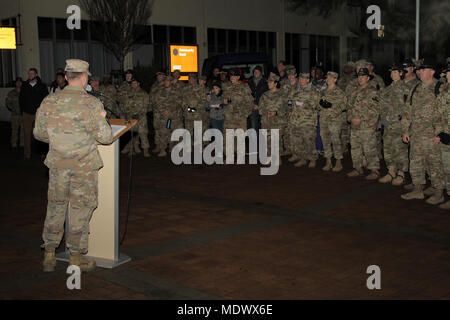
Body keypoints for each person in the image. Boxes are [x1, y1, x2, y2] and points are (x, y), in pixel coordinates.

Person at [33, 59, 113, 273]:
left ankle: (49, 254)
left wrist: (61, 139)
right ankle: (76, 257)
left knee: (56, 206)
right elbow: (105, 138)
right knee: (80, 208)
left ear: (66, 77)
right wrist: (103, 118)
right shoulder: (92, 104)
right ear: (85, 77)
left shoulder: (49, 101)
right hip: (83, 167)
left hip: (58, 164)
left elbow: (39, 134)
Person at [401, 61, 445, 205]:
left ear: (432, 72)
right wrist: (405, 130)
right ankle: (418, 189)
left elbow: (445, 113)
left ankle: (438, 192)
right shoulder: (415, 88)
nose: (420, 72)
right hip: (416, 134)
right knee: (416, 163)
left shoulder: (440, 87)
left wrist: (441, 134)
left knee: (435, 165)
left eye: (423, 70)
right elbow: (408, 111)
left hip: (432, 135)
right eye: (419, 70)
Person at [346, 68, 380, 180]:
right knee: (355, 149)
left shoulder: (372, 91)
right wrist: (351, 118)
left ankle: (374, 170)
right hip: (355, 126)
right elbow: (349, 107)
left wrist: (360, 118)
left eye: (363, 76)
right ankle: (357, 168)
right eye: (359, 77)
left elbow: (375, 110)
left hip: (367, 126)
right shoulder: (354, 92)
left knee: (369, 149)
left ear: (368, 78)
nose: (360, 79)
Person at [378, 64, 409, 186]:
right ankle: (391, 172)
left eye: (395, 72)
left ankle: (401, 173)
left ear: (401, 73)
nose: (393, 74)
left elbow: (407, 108)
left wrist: (404, 125)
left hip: (399, 125)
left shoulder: (405, 89)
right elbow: (382, 108)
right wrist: (383, 122)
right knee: (388, 149)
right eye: (392, 72)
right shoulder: (387, 89)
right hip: (388, 124)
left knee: (400, 150)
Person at [288, 72, 319, 168]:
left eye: (303, 79)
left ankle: (312, 159)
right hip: (295, 120)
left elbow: (317, 105)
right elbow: (290, 101)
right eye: (300, 79)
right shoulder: (295, 90)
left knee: (309, 141)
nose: (301, 80)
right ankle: (302, 158)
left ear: (308, 80)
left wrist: (304, 105)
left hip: (307, 121)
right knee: (298, 141)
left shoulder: (313, 91)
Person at [318, 72, 347, 172]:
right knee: (325, 140)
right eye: (327, 77)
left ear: (335, 79)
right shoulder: (323, 91)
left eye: (331, 77)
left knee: (335, 141)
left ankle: (338, 162)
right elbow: (318, 105)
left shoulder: (339, 92)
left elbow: (344, 105)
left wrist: (332, 106)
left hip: (334, 120)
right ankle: (328, 161)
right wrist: (320, 104)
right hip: (323, 119)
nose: (328, 79)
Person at [222, 68, 254, 154]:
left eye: (234, 76)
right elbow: (223, 98)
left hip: (240, 117)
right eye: (231, 76)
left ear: (238, 77)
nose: (232, 77)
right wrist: (223, 101)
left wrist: (245, 114)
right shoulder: (227, 87)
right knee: (228, 137)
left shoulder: (244, 87)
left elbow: (250, 102)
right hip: (229, 117)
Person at [19, 68, 49, 159]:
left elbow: (45, 100)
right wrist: (23, 111)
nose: (30, 75)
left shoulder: (42, 86)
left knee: (39, 134)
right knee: (27, 134)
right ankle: (27, 154)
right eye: (29, 73)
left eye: (32, 73)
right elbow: (21, 99)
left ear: (36, 75)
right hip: (27, 114)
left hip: (38, 114)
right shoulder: (24, 85)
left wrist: (43, 112)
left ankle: (42, 153)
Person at [433, 64, 450, 209]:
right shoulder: (443, 92)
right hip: (445, 137)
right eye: (448, 74)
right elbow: (437, 115)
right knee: (446, 168)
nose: (448, 76)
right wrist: (439, 133)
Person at [153, 75, 183, 157]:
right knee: (164, 132)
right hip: (165, 118)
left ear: (171, 82)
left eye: (168, 81)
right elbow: (157, 103)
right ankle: (163, 150)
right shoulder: (160, 92)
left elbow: (180, 103)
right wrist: (163, 110)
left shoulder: (177, 91)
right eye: (165, 81)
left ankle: (180, 150)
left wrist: (170, 111)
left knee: (178, 134)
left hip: (175, 117)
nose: (166, 82)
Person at [121, 78, 151, 157]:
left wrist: (139, 113)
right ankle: (131, 150)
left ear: (138, 83)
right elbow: (125, 105)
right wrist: (128, 113)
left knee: (143, 133)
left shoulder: (144, 94)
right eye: (132, 83)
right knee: (131, 134)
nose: (133, 85)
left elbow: (146, 106)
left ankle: (145, 150)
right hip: (131, 117)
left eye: (135, 83)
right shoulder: (128, 94)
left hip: (141, 117)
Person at [259, 74, 284, 165]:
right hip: (266, 120)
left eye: (270, 82)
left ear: (276, 83)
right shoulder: (264, 95)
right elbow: (260, 108)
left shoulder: (282, 94)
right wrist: (265, 112)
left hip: (278, 121)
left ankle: (278, 158)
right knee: (267, 139)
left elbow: (286, 108)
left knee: (276, 139)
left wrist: (276, 112)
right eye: (268, 82)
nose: (268, 84)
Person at [149, 71, 167, 154]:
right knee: (156, 128)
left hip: (164, 111)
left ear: (164, 76)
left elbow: (171, 98)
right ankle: (157, 146)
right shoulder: (154, 86)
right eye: (157, 76)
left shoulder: (167, 85)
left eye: (160, 75)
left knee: (164, 129)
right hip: (156, 111)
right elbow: (151, 98)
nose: (158, 77)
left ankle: (163, 149)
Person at [5, 77, 24, 148]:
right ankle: (14, 143)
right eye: (17, 82)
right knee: (14, 130)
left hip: (23, 114)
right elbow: (7, 103)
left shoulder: (24, 92)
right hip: (15, 115)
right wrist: (13, 109)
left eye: (20, 82)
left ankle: (22, 143)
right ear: (15, 83)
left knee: (23, 130)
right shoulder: (11, 93)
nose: (19, 83)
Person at [248, 66, 268, 132]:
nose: (256, 73)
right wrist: (253, 104)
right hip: (253, 107)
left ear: (261, 73)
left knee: (264, 127)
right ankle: (255, 142)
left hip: (263, 107)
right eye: (254, 71)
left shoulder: (266, 82)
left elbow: (267, 95)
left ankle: (262, 142)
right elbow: (247, 95)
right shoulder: (249, 82)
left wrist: (259, 105)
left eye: (257, 71)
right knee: (254, 127)